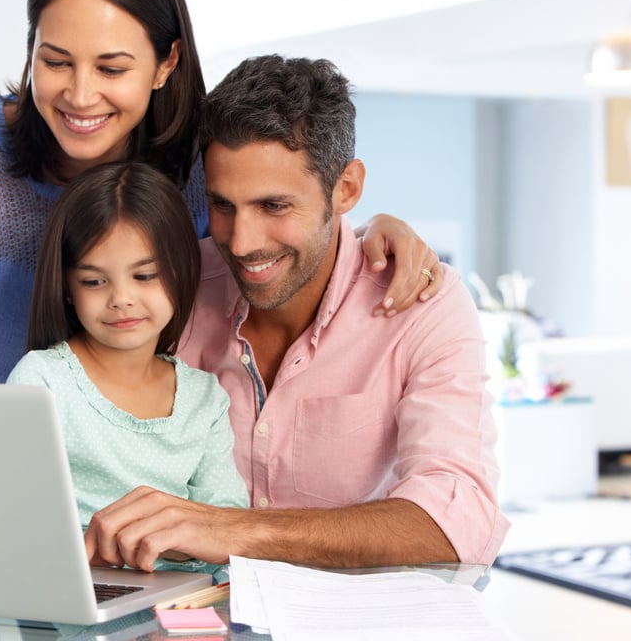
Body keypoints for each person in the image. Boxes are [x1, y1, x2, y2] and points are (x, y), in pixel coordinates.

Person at [0, 0, 442, 383]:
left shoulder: (191, 173)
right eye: (55, 61)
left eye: (112, 67)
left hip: (80, 484)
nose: (78, 95)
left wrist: (375, 230)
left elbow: (281, 213)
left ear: (165, 64)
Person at [83, 55, 510, 571]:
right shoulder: (173, 285)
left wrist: (229, 530)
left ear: (346, 188)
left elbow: (458, 520)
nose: (241, 242)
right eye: (222, 205)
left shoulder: (423, 306)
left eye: (274, 207)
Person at [7, 160, 247, 581]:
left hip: (183, 594)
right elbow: (12, 517)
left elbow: (227, 525)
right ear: (67, 288)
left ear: (182, 272)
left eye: (145, 275)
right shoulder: (42, 381)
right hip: (73, 589)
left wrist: (167, 540)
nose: (122, 299)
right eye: (94, 282)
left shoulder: (204, 398)